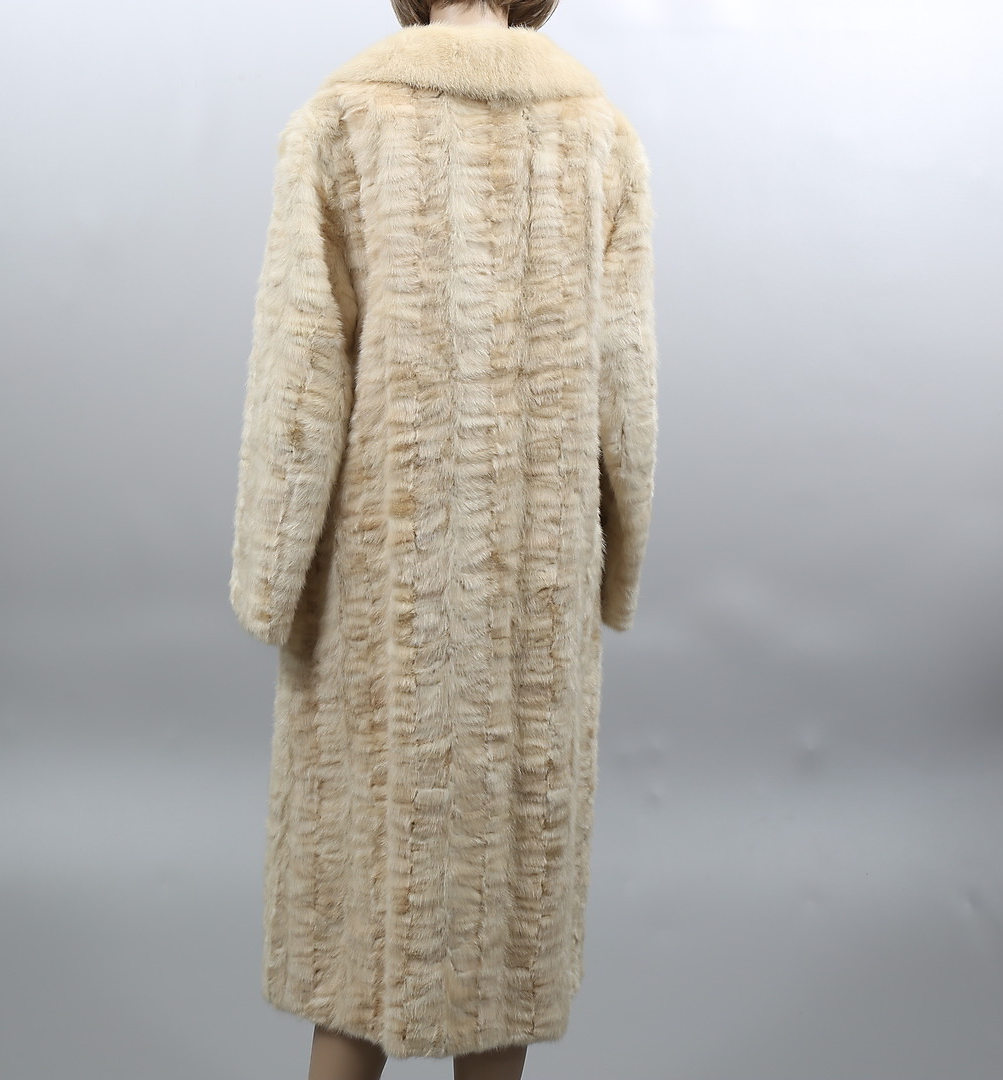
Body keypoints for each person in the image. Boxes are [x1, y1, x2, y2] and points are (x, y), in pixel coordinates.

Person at [229, 1, 658, 1076]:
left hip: (381, 587)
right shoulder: (599, 132)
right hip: (534, 592)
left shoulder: (343, 118)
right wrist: (619, 562)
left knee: (357, 911)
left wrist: (269, 575)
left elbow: (300, 369)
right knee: (509, 910)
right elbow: (627, 383)